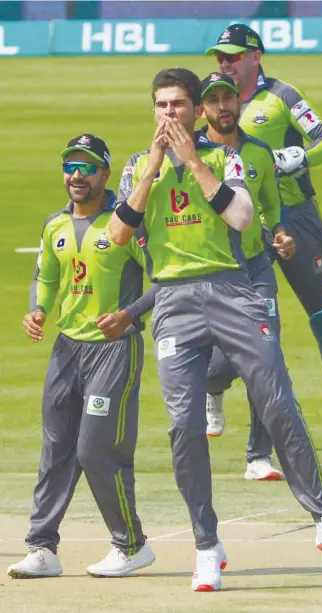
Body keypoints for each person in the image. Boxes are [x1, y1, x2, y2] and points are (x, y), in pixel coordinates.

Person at [110, 68, 322, 592]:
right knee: (182, 428)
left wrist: (195, 162)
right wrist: (156, 163)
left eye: (179, 105)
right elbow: (117, 233)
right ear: (153, 110)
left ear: (197, 111)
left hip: (234, 291)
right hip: (175, 301)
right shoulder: (137, 165)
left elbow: (244, 216)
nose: (169, 114)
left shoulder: (228, 157)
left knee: (277, 403)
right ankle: (206, 544)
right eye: (161, 105)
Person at [206, 24, 322, 445]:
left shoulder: (282, 96)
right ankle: (213, 387)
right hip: (240, 223)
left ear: (255, 56)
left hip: (296, 216)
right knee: (237, 316)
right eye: (221, 56)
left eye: (234, 55)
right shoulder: (211, 100)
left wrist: (298, 158)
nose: (225, 63)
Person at [7, 135, 155, 579]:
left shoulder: (125, 223)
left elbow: (165, 280)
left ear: (106, 175)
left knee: (95, 450)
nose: (76, 175)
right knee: (55, 448)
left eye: (87, 167)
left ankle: (131, 545)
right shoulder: (54, 225)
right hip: (67, 349)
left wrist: (130, 315)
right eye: (70, 166)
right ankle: (42, 547)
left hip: (113, 350)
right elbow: (46, 278)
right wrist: (38, 309)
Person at [201, 71, 295, 480]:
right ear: (202, 108)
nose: (223, 106)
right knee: (217, 368)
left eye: (228, 97)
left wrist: (280, 233)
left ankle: (259, 456)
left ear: (239, 101)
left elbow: (271, 206)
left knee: (266, 357)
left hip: (257, 269)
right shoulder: (193, 156)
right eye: (213, 100)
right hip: (216, 272)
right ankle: (213, 388)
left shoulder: (258, 152)